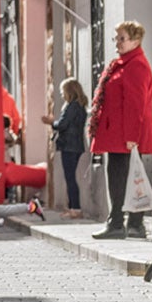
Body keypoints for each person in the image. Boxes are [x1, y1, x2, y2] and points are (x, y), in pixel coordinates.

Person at [88, 21, 152, 240]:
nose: (117, 43)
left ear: (135, 40)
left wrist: (131, 137)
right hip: (118, 134)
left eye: (122, 38)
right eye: (116, 38)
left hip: (125, 136)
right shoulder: (122, 64)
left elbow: (136, 104)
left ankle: (118, 223)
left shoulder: (136, 65)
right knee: (124, 178)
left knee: (121, 179)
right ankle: (133, 225)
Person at [43, 78, 89, 217]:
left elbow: (62, 125)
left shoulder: (72, 107)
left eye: (63, 91)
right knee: (71, 177)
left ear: (69, 91)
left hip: (69, 146)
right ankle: (73, 208)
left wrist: (51, 122)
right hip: (76, 145)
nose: (62, 95)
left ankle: (75, 208)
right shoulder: (80, 106)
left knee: (70, 178)